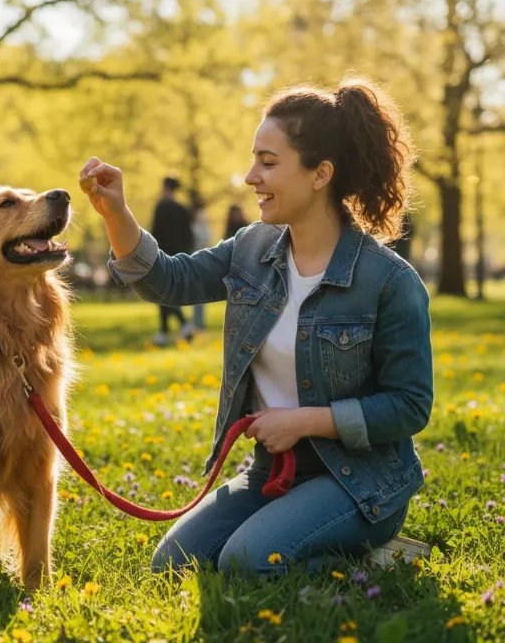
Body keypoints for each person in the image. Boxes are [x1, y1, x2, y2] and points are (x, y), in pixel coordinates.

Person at [79, 77, 432, 579]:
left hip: (361, 481)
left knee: (245, 563)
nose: (250, 177)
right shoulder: (251, 248)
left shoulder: (388, 281)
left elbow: (410, 405)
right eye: (254, 160)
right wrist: (116, 211)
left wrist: (305, 421)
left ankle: (378, 558)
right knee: (173, 565)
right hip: (272, 472)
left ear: (320, 174)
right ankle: (310, 541)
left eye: (268, 162)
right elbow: (170, 282)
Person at [150, 176, 195, 346]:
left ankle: (178, 327)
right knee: (167, 292)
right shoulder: (183, 209)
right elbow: (189, 235)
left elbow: (155, 232)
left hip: (163, 253)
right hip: (180, 256)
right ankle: (169, 330)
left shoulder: (162, 207)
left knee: (162, 293)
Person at [191, 201, 212, 331]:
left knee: (200, 295)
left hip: (202, 262)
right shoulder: (194, 227)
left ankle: (199, 322)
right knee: (196, 295)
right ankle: (196, 322)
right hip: (194, 261)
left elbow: (206, 242)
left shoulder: (203, 228)